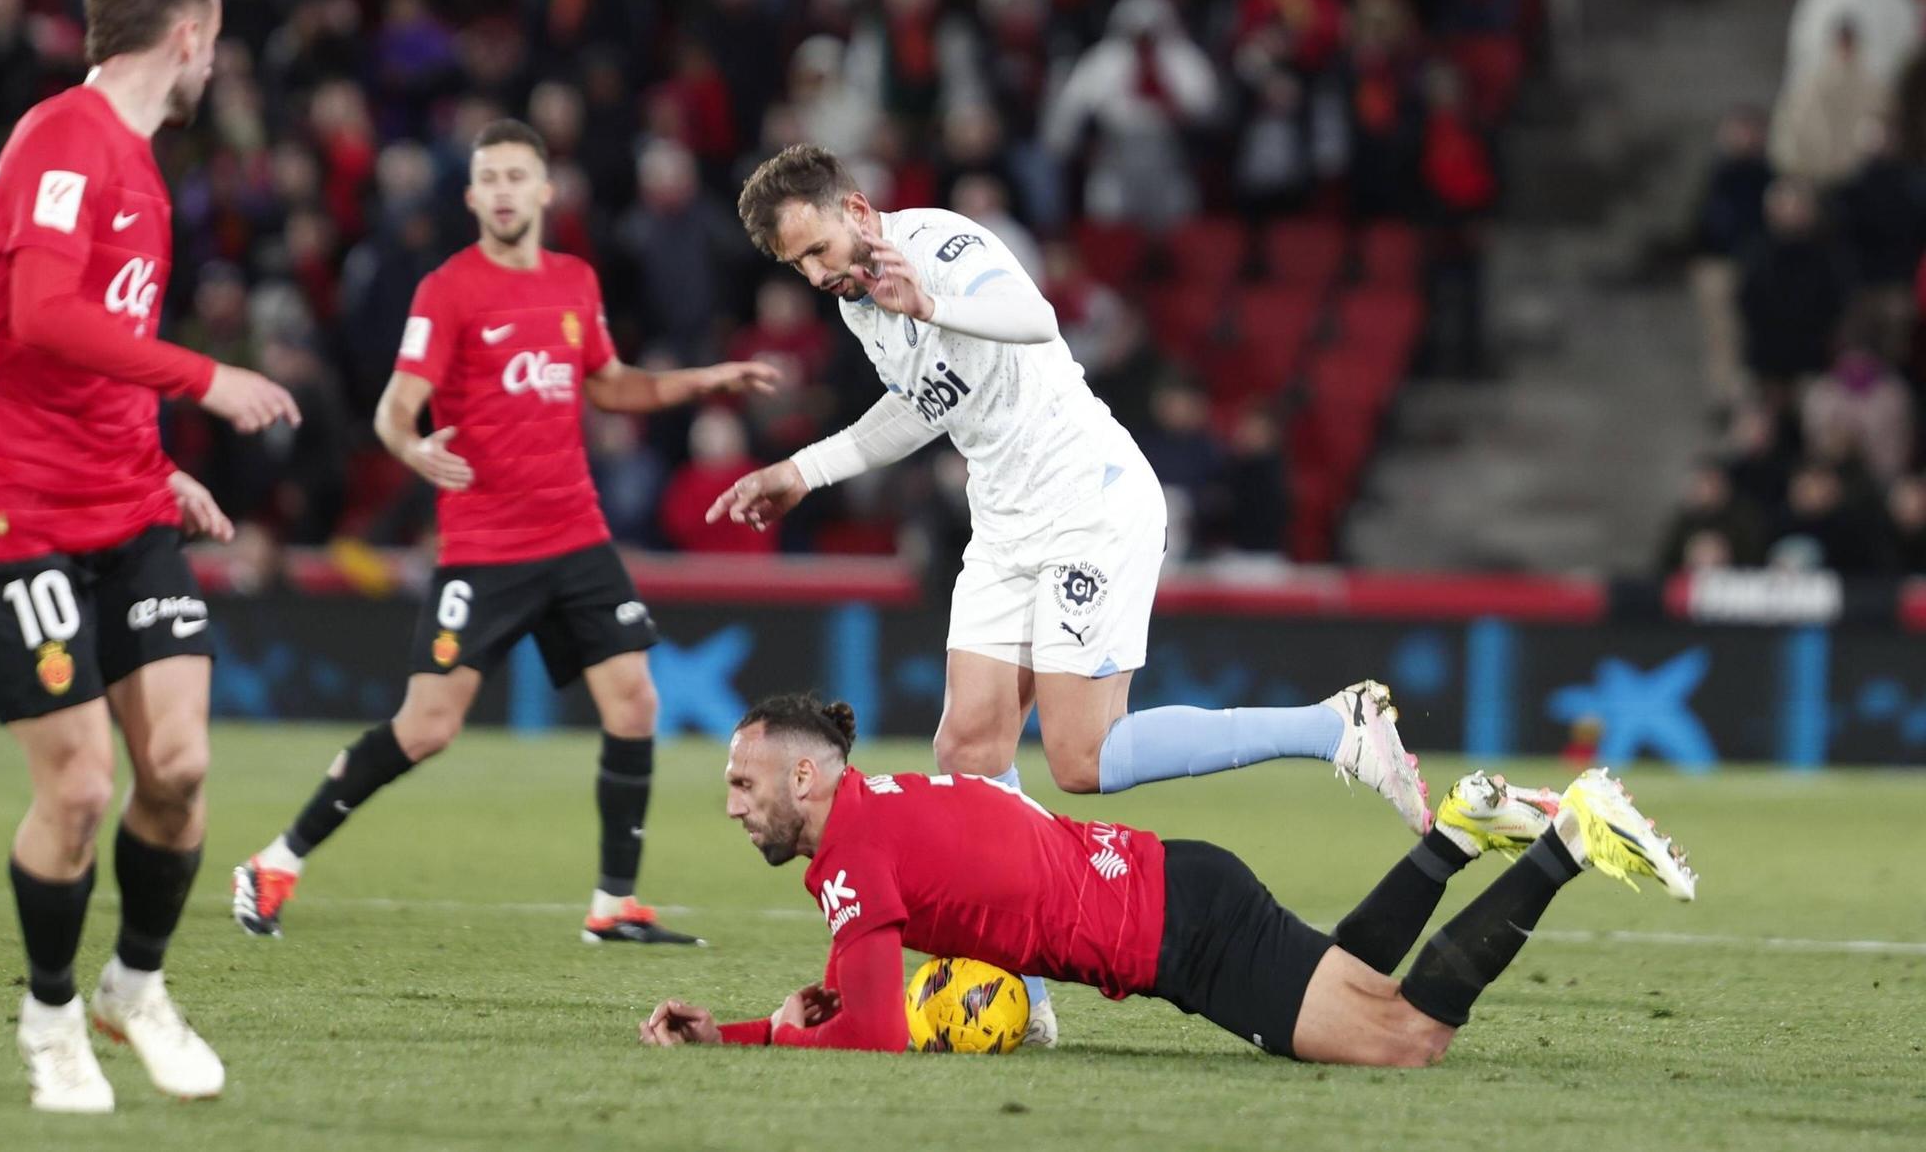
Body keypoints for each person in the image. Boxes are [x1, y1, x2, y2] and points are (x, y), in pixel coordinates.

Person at [719, 144, 1431, 1045]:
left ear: (856, 211)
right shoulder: (865, 306)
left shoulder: (935, 247)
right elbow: (919, 405)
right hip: (1006, 521)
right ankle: (1025, 1004)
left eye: (817, 250)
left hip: (1086, 501)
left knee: (1081, 760)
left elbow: (1033, 314)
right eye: (797, 268)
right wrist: (801, 469)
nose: (817, 276)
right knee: (968, 748)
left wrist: (930, 301)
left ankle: (1335, 727)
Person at [233, 119, 776, 946]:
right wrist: (412, 448)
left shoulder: (574, 282)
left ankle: (613, 904)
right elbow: (393, 408)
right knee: (428, 728)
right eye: (489, 179)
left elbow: (613, 386)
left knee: (634, 701)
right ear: (472, 195)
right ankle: (275, 861)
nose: (503, 191)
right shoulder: (448, 290)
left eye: (518, 176)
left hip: (577, 535)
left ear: (545, 189)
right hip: (485, 549)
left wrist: (706, 378)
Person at [0, 0, 303, 1114]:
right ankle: (48, 1020)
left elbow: (92, 356)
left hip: (122, 498)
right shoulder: (66, 138)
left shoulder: (139, 166)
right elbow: (37, 317)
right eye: (216, 46)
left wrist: (157, 461)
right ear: (187, 35)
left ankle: (130, 986)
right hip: (9, 511)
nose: (215, 70)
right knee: (84, 787)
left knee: (180, 768)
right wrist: (204, 379)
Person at [639, 695, 1697, 1058]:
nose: (732, 803)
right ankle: (1458, 835)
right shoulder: (873, 814)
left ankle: (1566, 839)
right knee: (1347, 983)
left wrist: (764, 1030)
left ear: (805, 773)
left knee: (1403, 1039)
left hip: (1181, 933)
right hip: (1176, 890)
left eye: (743, 781)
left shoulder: (851, 855)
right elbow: (867, 984)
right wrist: (780, 1014)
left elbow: (867, 1032)